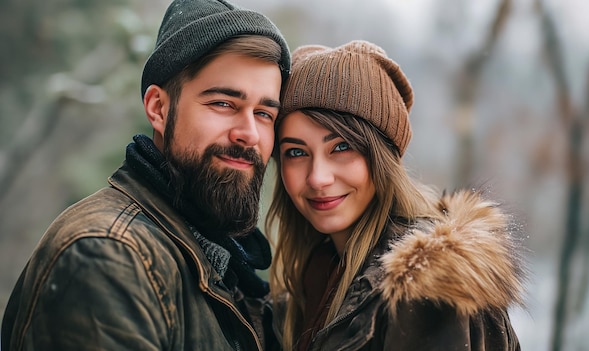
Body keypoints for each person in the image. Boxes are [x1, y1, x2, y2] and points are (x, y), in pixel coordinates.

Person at [1, 0, 290, 350]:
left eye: (263, 113)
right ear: (158, 108)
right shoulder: (109, 257)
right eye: (223, 104)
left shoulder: (225, 265)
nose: (249, 133)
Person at [266, 40, 526, 351]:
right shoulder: (313, 281)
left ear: (382, 157)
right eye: (296, 152)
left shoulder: (427, 289)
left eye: (341, 147)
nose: (318, 178)